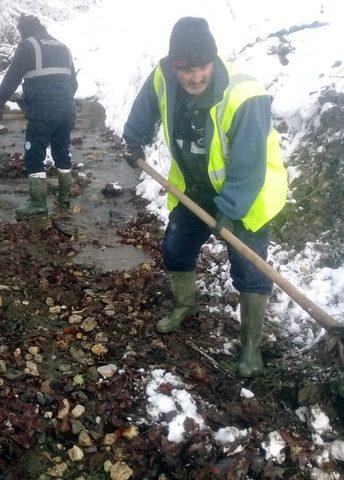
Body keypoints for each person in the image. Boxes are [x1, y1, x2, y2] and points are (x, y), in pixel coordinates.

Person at [122, 17, 287, 377]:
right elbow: (146, 105)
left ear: (213, 59)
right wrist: (133, 140)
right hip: (195, 190)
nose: (195, 77)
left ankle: (250, 347)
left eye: (202, 67)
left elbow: (249, 163)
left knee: (250, 269)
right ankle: (186, 305)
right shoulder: (164, 76)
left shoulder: (245, 95)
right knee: (175, 249)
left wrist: (229, 210)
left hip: (247, 196)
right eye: (187, 70)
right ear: (174, 65)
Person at [0, 14, 78, 217]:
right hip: (67, 110)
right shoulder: (63, 47)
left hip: (44, 112)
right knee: (62, 152)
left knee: (34, 154)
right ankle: (64, 199)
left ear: (24, 29)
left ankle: (38, 203)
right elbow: (73, 85)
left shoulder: (28, 45)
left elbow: (12, 76)